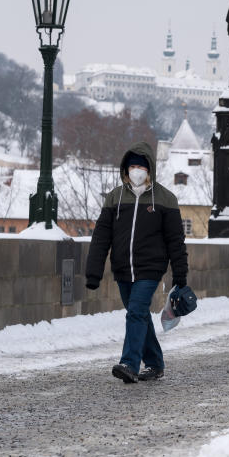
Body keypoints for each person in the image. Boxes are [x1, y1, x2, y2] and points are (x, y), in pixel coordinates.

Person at [86, 141, 189, 384]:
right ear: (125, 169)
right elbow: (101, 236)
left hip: (150, 269)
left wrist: (180, 275)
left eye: (140, 166)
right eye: (132, 166)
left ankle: (129, 363)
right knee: (140, 315)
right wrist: (93, 272)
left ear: (149, 169)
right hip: (122, 269)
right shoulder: (115, 197)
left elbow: (176, 241)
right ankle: (154, 363)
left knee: (135, 312)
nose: (136, 170)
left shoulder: (165, 198)